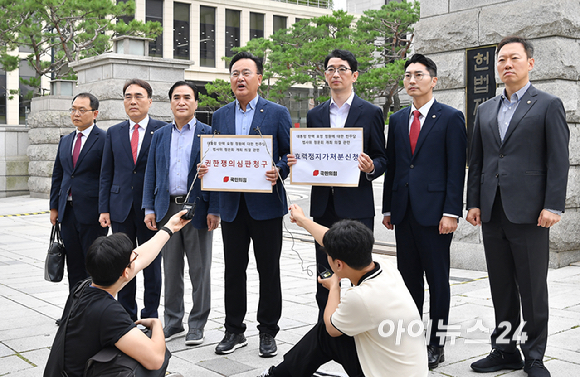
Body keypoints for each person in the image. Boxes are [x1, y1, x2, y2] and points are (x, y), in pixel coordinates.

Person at [466, 36, 569, 377]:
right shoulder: (485, 109)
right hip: (493, 211)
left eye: (514, 58)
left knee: (532, 289)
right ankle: (505, 351)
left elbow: (559, 159)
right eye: (501, 60)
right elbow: (477, 162)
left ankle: (535, 355)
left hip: (530, 213)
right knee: (501, 286)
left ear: (530, 63)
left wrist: (553, 204)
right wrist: (474, 203)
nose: (507, 65)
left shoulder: (547, 104)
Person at [258, 204, 428, 377]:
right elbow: (329, 238)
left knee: (324, 334)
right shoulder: (384, 265)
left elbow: (331, 328)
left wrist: (334, 287)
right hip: (410, 369)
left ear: (338, 264)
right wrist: (303, 221)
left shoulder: (360, 297)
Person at [381, 53, 467, 368]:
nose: (412, 80)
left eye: (418, 75)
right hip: (403, 213)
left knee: (438, 281)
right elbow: (394, 167)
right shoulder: (400, 119)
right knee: (409, 282)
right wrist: (388, 207)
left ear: (433, 80)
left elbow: (456, 169)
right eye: (408, 75)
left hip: (435, 215)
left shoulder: (450, 117)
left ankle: (437, 344)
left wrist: (451, 212)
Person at [288, 49, 387, 320]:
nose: (336, 74)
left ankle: (362, 322)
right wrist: (299, 160)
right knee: (325, 269)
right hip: (324, 205)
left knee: (359, 269)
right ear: (325, 75)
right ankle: (327, 323)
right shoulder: (317, 114)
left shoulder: (370, 112)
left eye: (342, 69)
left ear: (354, 75)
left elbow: (382, 157)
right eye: (331, 69)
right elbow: (314, 155)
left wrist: (371, 168)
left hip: (356, 205)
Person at [204, 51, 291, 358]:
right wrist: (207, 172)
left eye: (246, 73)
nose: (239, 78)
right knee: (233, 270)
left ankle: (268, 331)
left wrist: (279, 169)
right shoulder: (221, 115)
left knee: (269, 270)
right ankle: (234, 330)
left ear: (259, 78)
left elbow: (289, 156)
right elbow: (214, 158)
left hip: (265, 207)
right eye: (234, 73)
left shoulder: (277, 112)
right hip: (231, 207)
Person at [44, 210, 189, 377]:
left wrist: (170, 227)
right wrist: (157, 325)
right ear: (125, 273)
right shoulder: (108, 311)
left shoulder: (83, 287)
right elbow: (155, 359)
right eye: (132, 257)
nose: (136, 256)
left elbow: (142, 257)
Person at [142, 81, 219, 346]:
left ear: (196, 103)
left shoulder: (210, 133)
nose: (182, 102)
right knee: (171, 269)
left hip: (197, 209)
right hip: (167, 210)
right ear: (170, 102)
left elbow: (219, 176)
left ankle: (197, 324)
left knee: (200, 270)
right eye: (176, 97)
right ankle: (173, 322)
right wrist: (149, 207)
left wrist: (215, 210)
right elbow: (151, 172)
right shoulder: (161, 135)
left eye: (187, 97)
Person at [98, 79, 167, 322]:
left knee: (150, 263)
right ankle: (126, 315)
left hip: (150, 209)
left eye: (139, 96)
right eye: (128, 96)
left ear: (150, 100)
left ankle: (151, 315)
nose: (133, 101)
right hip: (120, 208)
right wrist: (104, 208)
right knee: (123, 263)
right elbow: (107, 173)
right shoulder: (114, 133)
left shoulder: (162, 130)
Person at [49, 92, 109, 292]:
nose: (76, 114)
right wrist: (54, 208)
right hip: (68, 213)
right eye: (73, 109)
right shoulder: (65, 140)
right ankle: (74, 309)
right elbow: (58, 175)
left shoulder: (104, 139)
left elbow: (106, 177)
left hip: (93, 213)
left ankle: (92, 309)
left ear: (95, 113)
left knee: (92, 264)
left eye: (82, 110)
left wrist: (104, 209)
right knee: (73, 264)